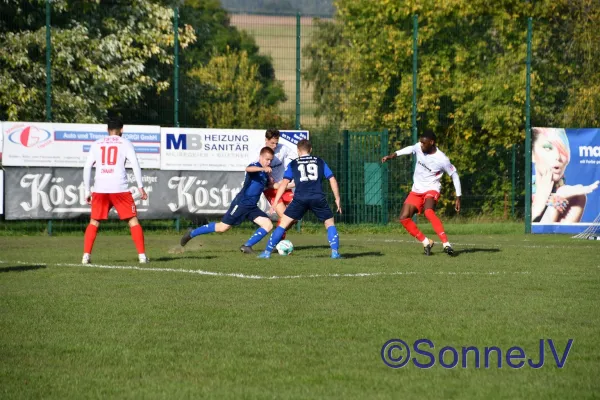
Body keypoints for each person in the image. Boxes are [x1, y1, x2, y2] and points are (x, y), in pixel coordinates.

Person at [381, 129, 461, 256]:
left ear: (432, 142)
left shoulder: (442, 159)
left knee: (428, 212)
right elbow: (409, 149)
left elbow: (454, 175)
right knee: (403, 218)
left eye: (424, 143)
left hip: (432, 188)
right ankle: (426, 242)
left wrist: (458, 196)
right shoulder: (419, 147)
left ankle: (446, 244)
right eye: (420, 143)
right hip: (417, 189)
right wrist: (393, 155)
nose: (421, 145)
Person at [258, 139, 342, 259]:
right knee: (329, 223)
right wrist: (337, 198)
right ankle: (334, 252)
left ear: (298, 150)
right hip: (317, 197)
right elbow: (332, 179)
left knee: (283, 224)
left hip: (300, 198)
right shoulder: (320, 161)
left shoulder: (293, 164)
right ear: (311, 150)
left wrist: (275, 201)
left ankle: (266, 252)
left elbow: (284, 183)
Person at [180, 147, 275, 251]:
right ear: (261, 157)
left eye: (270, 160)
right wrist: (262, 169)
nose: (269, 162)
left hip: (252, 206)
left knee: (268, 224)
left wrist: (292, 184)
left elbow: (272, 186)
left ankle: (247, 246)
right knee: (222, 228)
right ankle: (192, 233)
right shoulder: (256, 166)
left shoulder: (265, 173)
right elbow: (248, 169)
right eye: (267, 159)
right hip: (241, 203)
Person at [82, 118, 149, 264]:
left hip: (100, 188)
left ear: (107, 130)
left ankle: (86, 256)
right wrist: (140, 186)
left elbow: (87, 167)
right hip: (120, 188)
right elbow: (135, 164)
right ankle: (142, 256)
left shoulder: (97, 143)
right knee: (132, 220)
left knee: (94, 222)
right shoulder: (125, 143)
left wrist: (87, 190)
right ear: (122, 130)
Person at [241, 129, 297, 253]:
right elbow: (250, 168)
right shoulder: (260, 153)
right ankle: (274, 243)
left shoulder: (283, 148)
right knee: (285, 216)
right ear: (266, 140)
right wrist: (263, 170)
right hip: (271, 189)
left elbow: (296, 158)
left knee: (294, 217)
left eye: (276, 143)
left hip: (285, 187)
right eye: (272, 143)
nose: (275, 146)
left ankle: (276, 240)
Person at [531, 127, 599, 223]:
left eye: (562, 150)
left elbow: (546, 233)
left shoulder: (574, 197)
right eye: (548, 148)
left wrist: (559, 197)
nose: (558, 157)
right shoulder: (524, 190)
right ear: (532, 154)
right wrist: (539, 204)